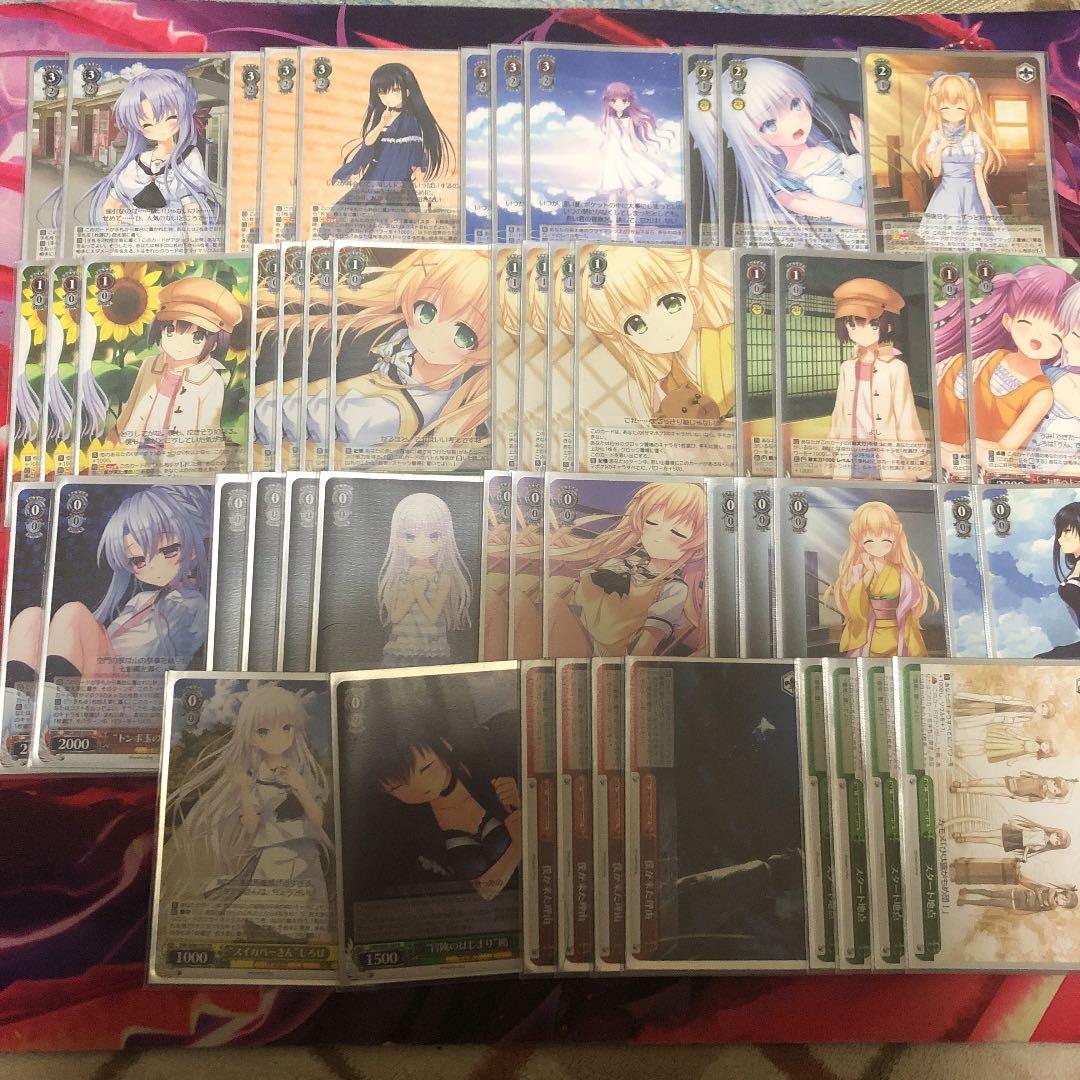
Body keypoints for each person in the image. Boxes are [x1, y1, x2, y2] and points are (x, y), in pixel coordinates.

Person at [162, 683, 332, 940]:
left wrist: (300, 787)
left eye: (286, 728)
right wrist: (243, 789)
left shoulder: (302, 772)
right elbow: (251, 826)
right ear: (251, 736)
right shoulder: (255, 779)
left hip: (307, 854)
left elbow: (317, 819)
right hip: (272, 856)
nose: (277, 737)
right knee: (273, 922)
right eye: (263, 731)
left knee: (309, 923)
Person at [546, 482, 708, 657]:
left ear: (697, 547)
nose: (658, 537)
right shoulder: (616, 563)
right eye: (652, 522)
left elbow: (646, 645)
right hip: (570, 632)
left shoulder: (673, 588)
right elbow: (573, 599)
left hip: (602, 654)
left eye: (677, 533)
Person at [720, 56, 865, 248]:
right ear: (751, 138)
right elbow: (866, 220)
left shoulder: (832, 140)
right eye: (769, 124)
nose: (792, 123)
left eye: (795, 104)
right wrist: (868, 157)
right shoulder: (787, 192)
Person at [79, 68, 220, 240]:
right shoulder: (137, 163)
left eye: (170, 118)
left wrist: (198, 250)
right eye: (147, 125)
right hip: (134, 247)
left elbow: (193, 217)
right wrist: (121, 239)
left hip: (169, 248)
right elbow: (110, 206)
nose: (159, 127)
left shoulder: (189, 157)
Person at [827, 278, 927, 480]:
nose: (859, 331)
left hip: (884, 451)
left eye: (872, 324)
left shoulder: (896, 368)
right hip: (851, 449)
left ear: (888, 326)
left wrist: (916, 460)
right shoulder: (847, 367)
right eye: (851, 324)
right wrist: (832, 450)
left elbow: (905, 415)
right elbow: (839, 410)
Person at [328, 62, 453, 213]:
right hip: (374, 175)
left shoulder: (410, 121)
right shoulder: (383, 116)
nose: (388, 97)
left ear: (407, 92)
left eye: (395, 90)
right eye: (382, 92)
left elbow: (414, 152)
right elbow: (368, 143)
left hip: (394, 179)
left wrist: (419, 173)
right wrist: (382, 123)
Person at [823, 501, 939, 658]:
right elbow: (854, 604)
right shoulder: (858, 572)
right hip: (869, 633)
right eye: (869, 540)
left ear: (894, 538)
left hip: (897, 632)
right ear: (859, 541)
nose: (878, 545)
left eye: (885, 540)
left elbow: (912, 599)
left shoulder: (902, 572)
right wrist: (869, 572)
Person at [912, 72, 1009, 249]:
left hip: (971, 194)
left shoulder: (973, 138)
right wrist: (940, 149)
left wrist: (988, 213)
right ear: (937, 108)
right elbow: (936, 173)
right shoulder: (936, 137)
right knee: (949, 243)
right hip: (947, 194)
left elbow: (979, 177)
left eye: (959, 107)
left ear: (969, 107)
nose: (953, 112)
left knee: (974, 243)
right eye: (945, 107)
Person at [377, 492, 473, 667]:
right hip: (401, 648)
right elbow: (394, 617)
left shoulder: (442, 577)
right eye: (410, 536)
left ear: (444, 539)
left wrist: (419, 595)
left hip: (432, 649)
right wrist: (413, 594)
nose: (422, 544)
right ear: (399, 539)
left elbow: (433, 616)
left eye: (433, 535)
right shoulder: (400, 575)